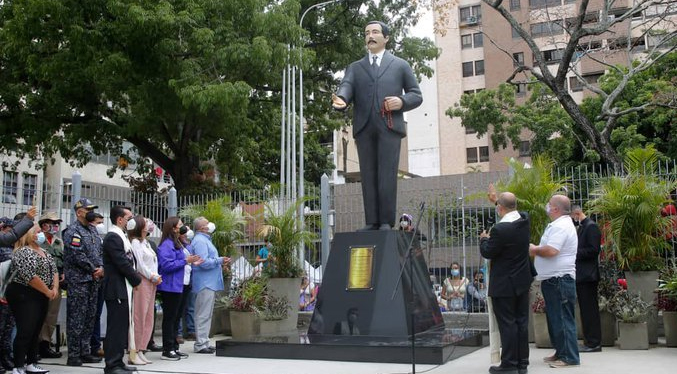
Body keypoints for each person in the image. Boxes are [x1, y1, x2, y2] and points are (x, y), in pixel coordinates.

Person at [331, 20, 422, 231]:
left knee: (387, 175)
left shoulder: (400, 65)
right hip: (364, 127)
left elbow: (416, 95)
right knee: (368, 175)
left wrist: (401, 102)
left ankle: (386, 222)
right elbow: (346, 86)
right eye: (366, 33)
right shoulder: (355, 67)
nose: (370, 36)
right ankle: (371, 221)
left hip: (389, 127)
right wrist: (342, 99)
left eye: (374, 32)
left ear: (386, 38)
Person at [479, 192, 532, 374]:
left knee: (507, 324)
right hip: (521, 281)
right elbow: (512, 209)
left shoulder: (500, 230)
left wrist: (484, 239)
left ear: (500, 208)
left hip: (504, 284)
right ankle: (522, 363)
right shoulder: (525, 220)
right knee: (521, 322)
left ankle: (509, 364)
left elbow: (488, 252)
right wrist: (497, 201)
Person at [530, 195, 580, 368]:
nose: (547, 207)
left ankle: (569, 357)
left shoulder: (561, 226)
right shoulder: (559, 225)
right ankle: (561, 351)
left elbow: (552, 250)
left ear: (556, 209)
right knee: (555, 318)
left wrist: (534, 249)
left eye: (549, 204)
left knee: (562, 319)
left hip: (559, 279)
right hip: (553, 279)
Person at [6, 223, 58, 374]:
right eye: (38, 231)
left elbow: (54, 270)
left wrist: (53, 288)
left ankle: (31, 362)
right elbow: (30, 277)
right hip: (25, 293)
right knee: (26, 329)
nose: (41, 234)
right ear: (29, 234)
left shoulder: (44, 251)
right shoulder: (23, 252)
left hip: (42, 294)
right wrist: (47, 291)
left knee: (36, 329)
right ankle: (18, 365)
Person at [62, 198, 103, 366]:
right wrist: (94, 269)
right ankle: (73, 354)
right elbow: (77, 255)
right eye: (88, 210)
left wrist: (101, 267)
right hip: (79, 281)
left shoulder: (93, 230)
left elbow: (100, 251)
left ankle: (85, 351)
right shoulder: (72, 231)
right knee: (76, 319)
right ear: (79, 212)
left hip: (94, 280)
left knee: (89, 317)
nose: (91, 212)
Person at [101, 206, 142, 374]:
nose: (131, 220)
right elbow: (121, 262)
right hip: (116, 287)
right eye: (129, 217)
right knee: (115, 327)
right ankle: (112, 364)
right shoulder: (113, 237)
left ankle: (118, 360)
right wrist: (137, 279)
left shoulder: (121, 236)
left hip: (124, 287)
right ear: (119, 219)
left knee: (122, 326)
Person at [157, 217, 201, 361]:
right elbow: (167, 265)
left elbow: (185, 257)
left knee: (177, 318)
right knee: (170, 318)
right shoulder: (166, 245)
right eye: (180, 225)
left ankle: (174, 346)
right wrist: (185, 261)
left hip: (182, 284)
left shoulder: (179, 243)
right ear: (173, 228)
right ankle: (167, 348)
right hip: (171, 286)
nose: (184, 227)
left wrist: (191, 260)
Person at [191, 217, 230, 354]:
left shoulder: (205, 240)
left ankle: (204, 341)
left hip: (209, 282)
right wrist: (219, 260)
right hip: (205, 282)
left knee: (206, 314)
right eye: (207, 223)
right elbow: (204, 262)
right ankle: (201, 344)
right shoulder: (201, 241)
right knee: (203, 314)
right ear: (202, 228)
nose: (210, 224)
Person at [129, 217, 161, 366]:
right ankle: (134, 351)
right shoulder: (135, 243)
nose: (149, 225)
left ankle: (142, 348)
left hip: (152, 282)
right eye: (146, 223)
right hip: (143, 281)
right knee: (139, 317)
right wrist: (152, 276)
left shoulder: (146, 243)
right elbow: (139, 265)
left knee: (149, 318)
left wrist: (155, 277)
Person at [571, 205, 602, 353]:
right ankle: (589, 340)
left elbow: (593, 250)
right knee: (585, 310)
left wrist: (573, 252)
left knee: (590, 311)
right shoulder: (584, 227)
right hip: (583, 275)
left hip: (588, 275)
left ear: (577, 213)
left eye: (573, 216)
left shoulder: (591, 227)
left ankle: (594, 343)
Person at [36, 212, 64, 359]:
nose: (55, 226)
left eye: (56, 223)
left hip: (55, 283)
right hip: (39, 283)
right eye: (51, 223)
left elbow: (63, 260)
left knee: (52, 314)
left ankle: (45, 344)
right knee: (37, 313)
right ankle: (35, 344)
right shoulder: (37, 240)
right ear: (43, 224)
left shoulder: (59, 242)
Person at [86, 211, 106, 358]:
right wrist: (95, 270)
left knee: (96, 314)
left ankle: (95, 345)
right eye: (98, 223)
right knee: (88, 316)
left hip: (100, 280)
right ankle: (88, 346)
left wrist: (102, 269)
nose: (101, 226)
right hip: (87, 279)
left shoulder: (100, 240)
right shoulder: (84, 235)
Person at [0, 219, 18, 372]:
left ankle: (6, 358)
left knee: (8, 328)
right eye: (10, 229)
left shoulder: (15, 247)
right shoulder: (3, 248)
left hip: (12, 293)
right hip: (2, 292)